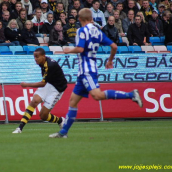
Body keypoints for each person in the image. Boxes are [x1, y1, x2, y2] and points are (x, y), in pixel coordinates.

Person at [49, 8, 143, 138]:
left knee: (97, 95)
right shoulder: (97, 31)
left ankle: (131, 95)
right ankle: (63, 133)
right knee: (73, 101)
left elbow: (80, 48)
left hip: (87, 71)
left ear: (80, 19)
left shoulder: (81, 31)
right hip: (84, 72)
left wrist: (68, 50)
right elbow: (114, 46)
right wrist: (110, 60)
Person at [12, 47, 67, 133]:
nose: (35, 59)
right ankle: (20, 128)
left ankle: (60, 121)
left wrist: (27, 84)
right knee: (34, 101)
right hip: (49, 84)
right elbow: (45, 82)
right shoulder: (42, 63)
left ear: (43, 56)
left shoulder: (50, 65)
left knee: (43, 116)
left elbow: (42, 83)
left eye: (37, 56)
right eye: (34, 57)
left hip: (57, 89)